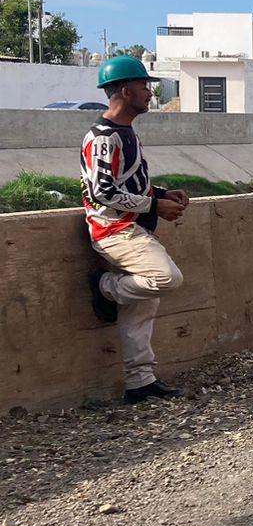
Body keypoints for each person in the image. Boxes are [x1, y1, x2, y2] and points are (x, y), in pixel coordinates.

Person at [82, 56, 190, 404]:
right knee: (166, 278)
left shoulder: (125, 133)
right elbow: (103, 193)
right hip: (114, 230)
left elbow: (127, 184)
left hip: (133, 226)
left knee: (142, 307)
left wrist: (160, 194)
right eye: (145, 87)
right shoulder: (103, 138)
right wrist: (155, 206)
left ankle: (140, 383)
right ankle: (106, 287)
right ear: (126, 91)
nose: (150, 93)